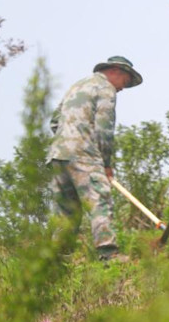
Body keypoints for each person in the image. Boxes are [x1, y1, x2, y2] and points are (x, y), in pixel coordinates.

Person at [47, 55, 143, 261]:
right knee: (99, 200)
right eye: (125, 82)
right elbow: (104, 129)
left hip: (57, 155)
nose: (122, 89)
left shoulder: (77, 86)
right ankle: (108, 253)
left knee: (66, 210)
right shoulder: (105, 89)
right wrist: (106, 164)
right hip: (84, 155)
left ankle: (58, 259)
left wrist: (68, 139)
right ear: (116, 71)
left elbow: (55, 122)